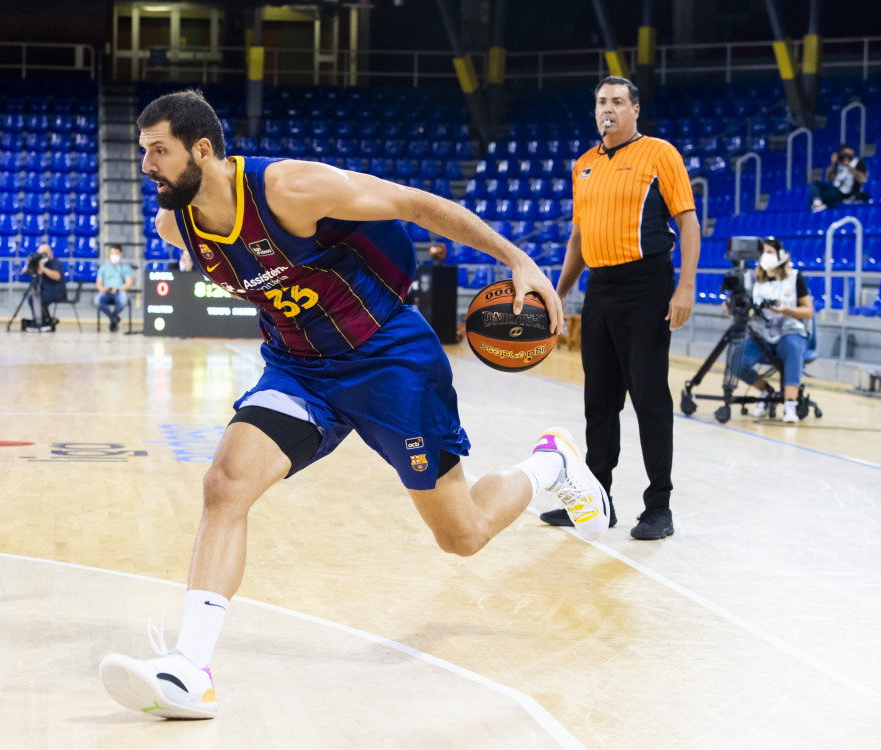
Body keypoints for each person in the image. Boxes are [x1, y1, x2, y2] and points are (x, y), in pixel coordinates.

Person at [99, 89, 612, 719]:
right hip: (299, 370)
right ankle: (188, 671)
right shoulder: (176, 223)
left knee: (463, 535)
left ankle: (550, 465)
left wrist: (516, 258)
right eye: (142, 151)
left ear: (201, 150)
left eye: (158, 151)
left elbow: (413, 205)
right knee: (225, 483)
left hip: (388, 360)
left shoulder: (289, 188)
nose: (145, 165)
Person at [544, 76, 700, 541]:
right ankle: (597, 503)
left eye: (616, 101)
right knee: (599, 402)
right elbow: (578, 236)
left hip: (648, 286)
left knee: (650, 398)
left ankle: (659, 508)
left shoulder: (659, 153)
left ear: (635, 110)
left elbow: (688, 223)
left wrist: (685, 287)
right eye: (600, 102)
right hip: (601, 288)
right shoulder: (584, 165)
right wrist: (559, 291)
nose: (606, 108)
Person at [732, 238, 813, 424]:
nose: (765, 256)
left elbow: (808, 312)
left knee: (793, 348)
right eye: (763, 252)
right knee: (736, 361)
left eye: (769, 252)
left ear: (780, 255)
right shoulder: (753, 280)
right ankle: (766, 391)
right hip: (761, 334)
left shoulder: (794, 277)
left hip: (790, 331)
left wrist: (787, 310)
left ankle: (790, 404)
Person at [94, 242, 135, 331]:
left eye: (116, 254)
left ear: (120, 254)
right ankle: (114, 319)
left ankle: (113, 319)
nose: (114, 256)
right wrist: (104, 289)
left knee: (123, 300)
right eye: (112, 253)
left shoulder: (126, 268)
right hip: (106, 292)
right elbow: (99, 285)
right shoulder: (103, 268)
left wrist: (117, 289)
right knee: (97, 300)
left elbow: (128, 285)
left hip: (119, 291)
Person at [26, 242, 66, 331]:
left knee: (35, 299)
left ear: (50, 253)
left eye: (44, 253)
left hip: (56, 292)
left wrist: (44, 269)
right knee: (33, 297)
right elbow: (37, 273)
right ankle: (41, 321)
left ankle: (41, 324)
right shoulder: (43, 263)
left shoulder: (55, 262)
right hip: (46, 291)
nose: (42, 255)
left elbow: (57, 276)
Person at [810, 144, 861, 211]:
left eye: (848, 155)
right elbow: (828, 178)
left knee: (821, 197)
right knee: (815, 185)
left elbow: (860, 178)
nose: (846, 156)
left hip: (845, 192)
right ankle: (817, 203)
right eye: (844, 154)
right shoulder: (840, 165)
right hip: (835, 190)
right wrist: (832, 164)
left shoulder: (858, 163)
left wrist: (848, 165)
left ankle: (819, 205)